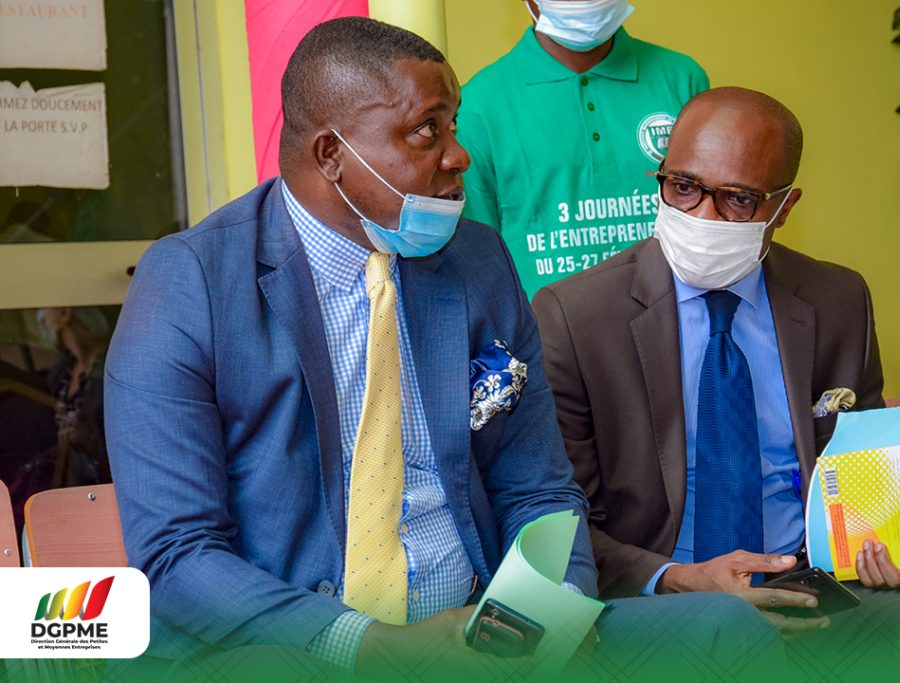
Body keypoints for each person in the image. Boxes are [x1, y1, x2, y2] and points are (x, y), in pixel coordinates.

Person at [105, 20, 782, 680]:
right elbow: (177, 554)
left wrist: (553, 615)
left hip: (481, 633)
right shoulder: (192, 283)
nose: (458, 155)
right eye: (427, 130)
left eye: (452, 125)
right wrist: (372, 648)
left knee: (725, 629)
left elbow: (538, 489)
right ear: (331, 154)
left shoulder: (477, 260)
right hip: (298, 647)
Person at [533, 86, 900, 670]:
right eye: (683, 187)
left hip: (811, 588)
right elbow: (560, 518)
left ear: (784, 206)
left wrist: (891, 550)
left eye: (738, 199)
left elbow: (865, 481)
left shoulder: (836, 299)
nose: (703, 216)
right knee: (729, 631)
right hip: (667, 600)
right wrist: (674, 577)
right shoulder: (575, 316)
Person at [457, 0, 708, 298]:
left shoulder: (683, 80)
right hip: (542, 319)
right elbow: (480, 256)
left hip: (673, 309)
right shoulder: (478, 105)